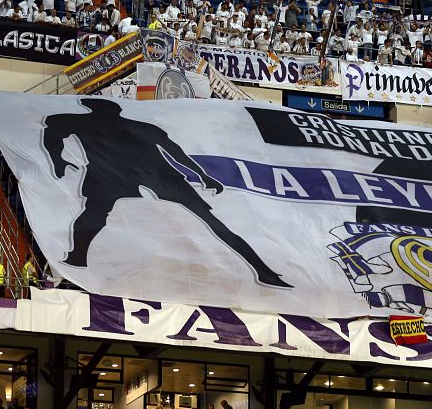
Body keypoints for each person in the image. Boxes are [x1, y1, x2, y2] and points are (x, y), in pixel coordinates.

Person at [42, 99, 291, 288]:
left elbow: (175, 152)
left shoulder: (132, 127)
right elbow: (52, 129)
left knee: (210, 221)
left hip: (153, 174)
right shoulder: (97, 124)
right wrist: (57, 160)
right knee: (93, 216)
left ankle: (263, 271)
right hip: (118, 176)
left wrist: (202, 175)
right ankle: (76, 258)